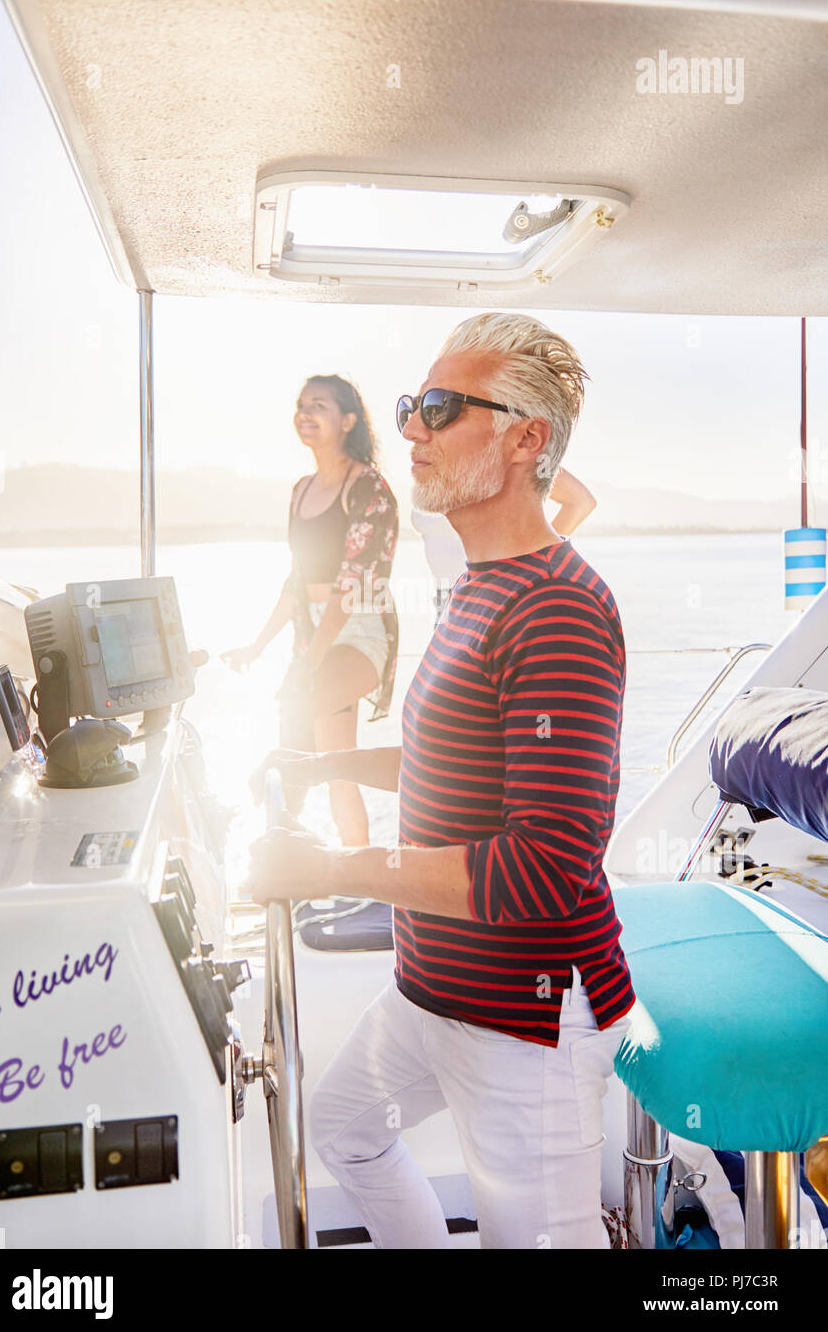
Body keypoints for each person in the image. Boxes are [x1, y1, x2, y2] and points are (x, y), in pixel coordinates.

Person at [246, 313, 635, 1248]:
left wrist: (334, 871)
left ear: (524, 440)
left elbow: (542, 868)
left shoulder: (561, 614)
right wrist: (325, 763)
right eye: (410, 407)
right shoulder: (476, 586)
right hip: (432, 987)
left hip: (525, 1015)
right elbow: (443, 752)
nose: (411, 428)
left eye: (438, 409)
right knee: (342, 1133)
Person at [221, 375, 398, 847]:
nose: (305, 412)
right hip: (311, 633)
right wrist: (255, 648)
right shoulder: (301, 490)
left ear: (348, 420)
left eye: (318, 405)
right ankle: (300, 856)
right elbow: (296, 583)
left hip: (359, 629)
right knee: (337, 765)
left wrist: (309, 660)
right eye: (301, 404)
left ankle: (282, 813)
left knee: (304, 713)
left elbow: (352, 586)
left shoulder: (369, 488)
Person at [412, 464, 597, 622]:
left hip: (491, 602)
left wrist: (533, 562)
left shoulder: (507, 457)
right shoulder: (428, 456)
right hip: (445, 602)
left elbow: (580, 501)